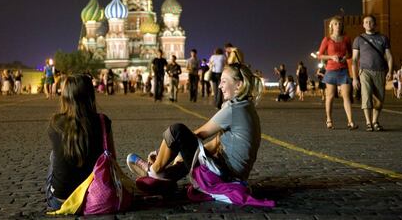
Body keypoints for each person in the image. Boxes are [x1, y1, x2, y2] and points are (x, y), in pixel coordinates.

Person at [126, 63, 264, 189]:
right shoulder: (246, 106)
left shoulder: (233, 109)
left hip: (224, 176)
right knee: (195, 153)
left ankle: (153, 170)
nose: (220, 86)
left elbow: (199, 134)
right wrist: (182, 154)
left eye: (223, 81)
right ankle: (166, 176)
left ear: (238, 85)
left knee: (176, 131)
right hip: (234, 176)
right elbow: (216, 142)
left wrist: (165, 152)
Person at [46, 74, 116, 209]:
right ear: (90, 95)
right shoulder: (102, 121)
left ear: (65, 97)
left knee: (54, 155)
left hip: (60, 201)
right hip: (96, 197)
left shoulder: (55, 122)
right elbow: (112, 158)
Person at [352, 14, 393, 131]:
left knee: (379, 100)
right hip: (365, 71)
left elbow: (389, 56)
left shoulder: (383, 38)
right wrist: (355, 78)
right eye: (366, 22)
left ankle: (375, 121)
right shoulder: (358, 39)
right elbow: (354, 60)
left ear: (375, 24)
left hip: (380, 71)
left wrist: (390, 71)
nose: (368, 24)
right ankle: (368, 122)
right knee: (366, 95)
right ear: (363, 25)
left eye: (370, 22)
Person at [318, 15, 357, 130]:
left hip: (343, 70)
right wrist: (331, 57)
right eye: (335, 24)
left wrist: (345, 57)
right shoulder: (327, 39)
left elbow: (350, 53)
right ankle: (329, 119)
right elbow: (319, 55)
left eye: (340, 24)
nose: (338, 26)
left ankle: (350, 121)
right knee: (329, 97)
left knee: (346, 97)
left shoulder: (346, 38)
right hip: (331, 70)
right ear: (331, 26)